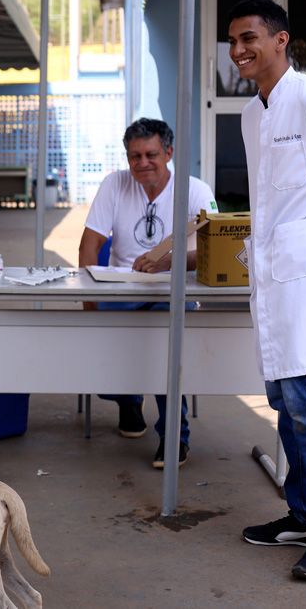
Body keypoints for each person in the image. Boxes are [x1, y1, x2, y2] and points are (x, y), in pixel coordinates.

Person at [229, 0, 306, 581]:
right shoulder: (249, 114)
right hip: (273, 283)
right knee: (286, 409)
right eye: (233, 42)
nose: (239, 51)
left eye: (250, 38)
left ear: (281, 40)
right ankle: (304, 514)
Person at [78, 118, 218, 468]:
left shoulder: (195, 190)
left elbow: (216, 250)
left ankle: (174, 439)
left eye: (151, 154)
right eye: (134, 156)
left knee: (163, 355)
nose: (142, 163)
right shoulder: (115, 184)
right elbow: (89, 244)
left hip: (172, 293)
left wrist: (169, 262)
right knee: (103, 363)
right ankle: (128, 401)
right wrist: (89, 305)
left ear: (168, 152)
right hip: (120, 292)